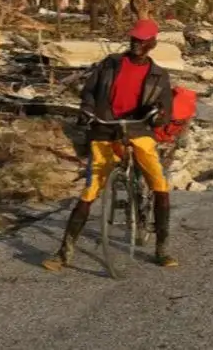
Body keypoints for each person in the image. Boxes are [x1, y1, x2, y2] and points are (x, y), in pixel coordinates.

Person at [43, 18, 177, 271]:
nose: (136, 43)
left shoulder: (159, 75)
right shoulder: (110, 64)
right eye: (134, 39)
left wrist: (157, 114)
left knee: (159, 184)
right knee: (91, 189)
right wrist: (87, 110)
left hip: (138, 128)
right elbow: (90, 92)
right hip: (104, 127)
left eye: (142, 40)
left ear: (152, 44)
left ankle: (162, 248)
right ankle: (63, 252)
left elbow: (165, 111)